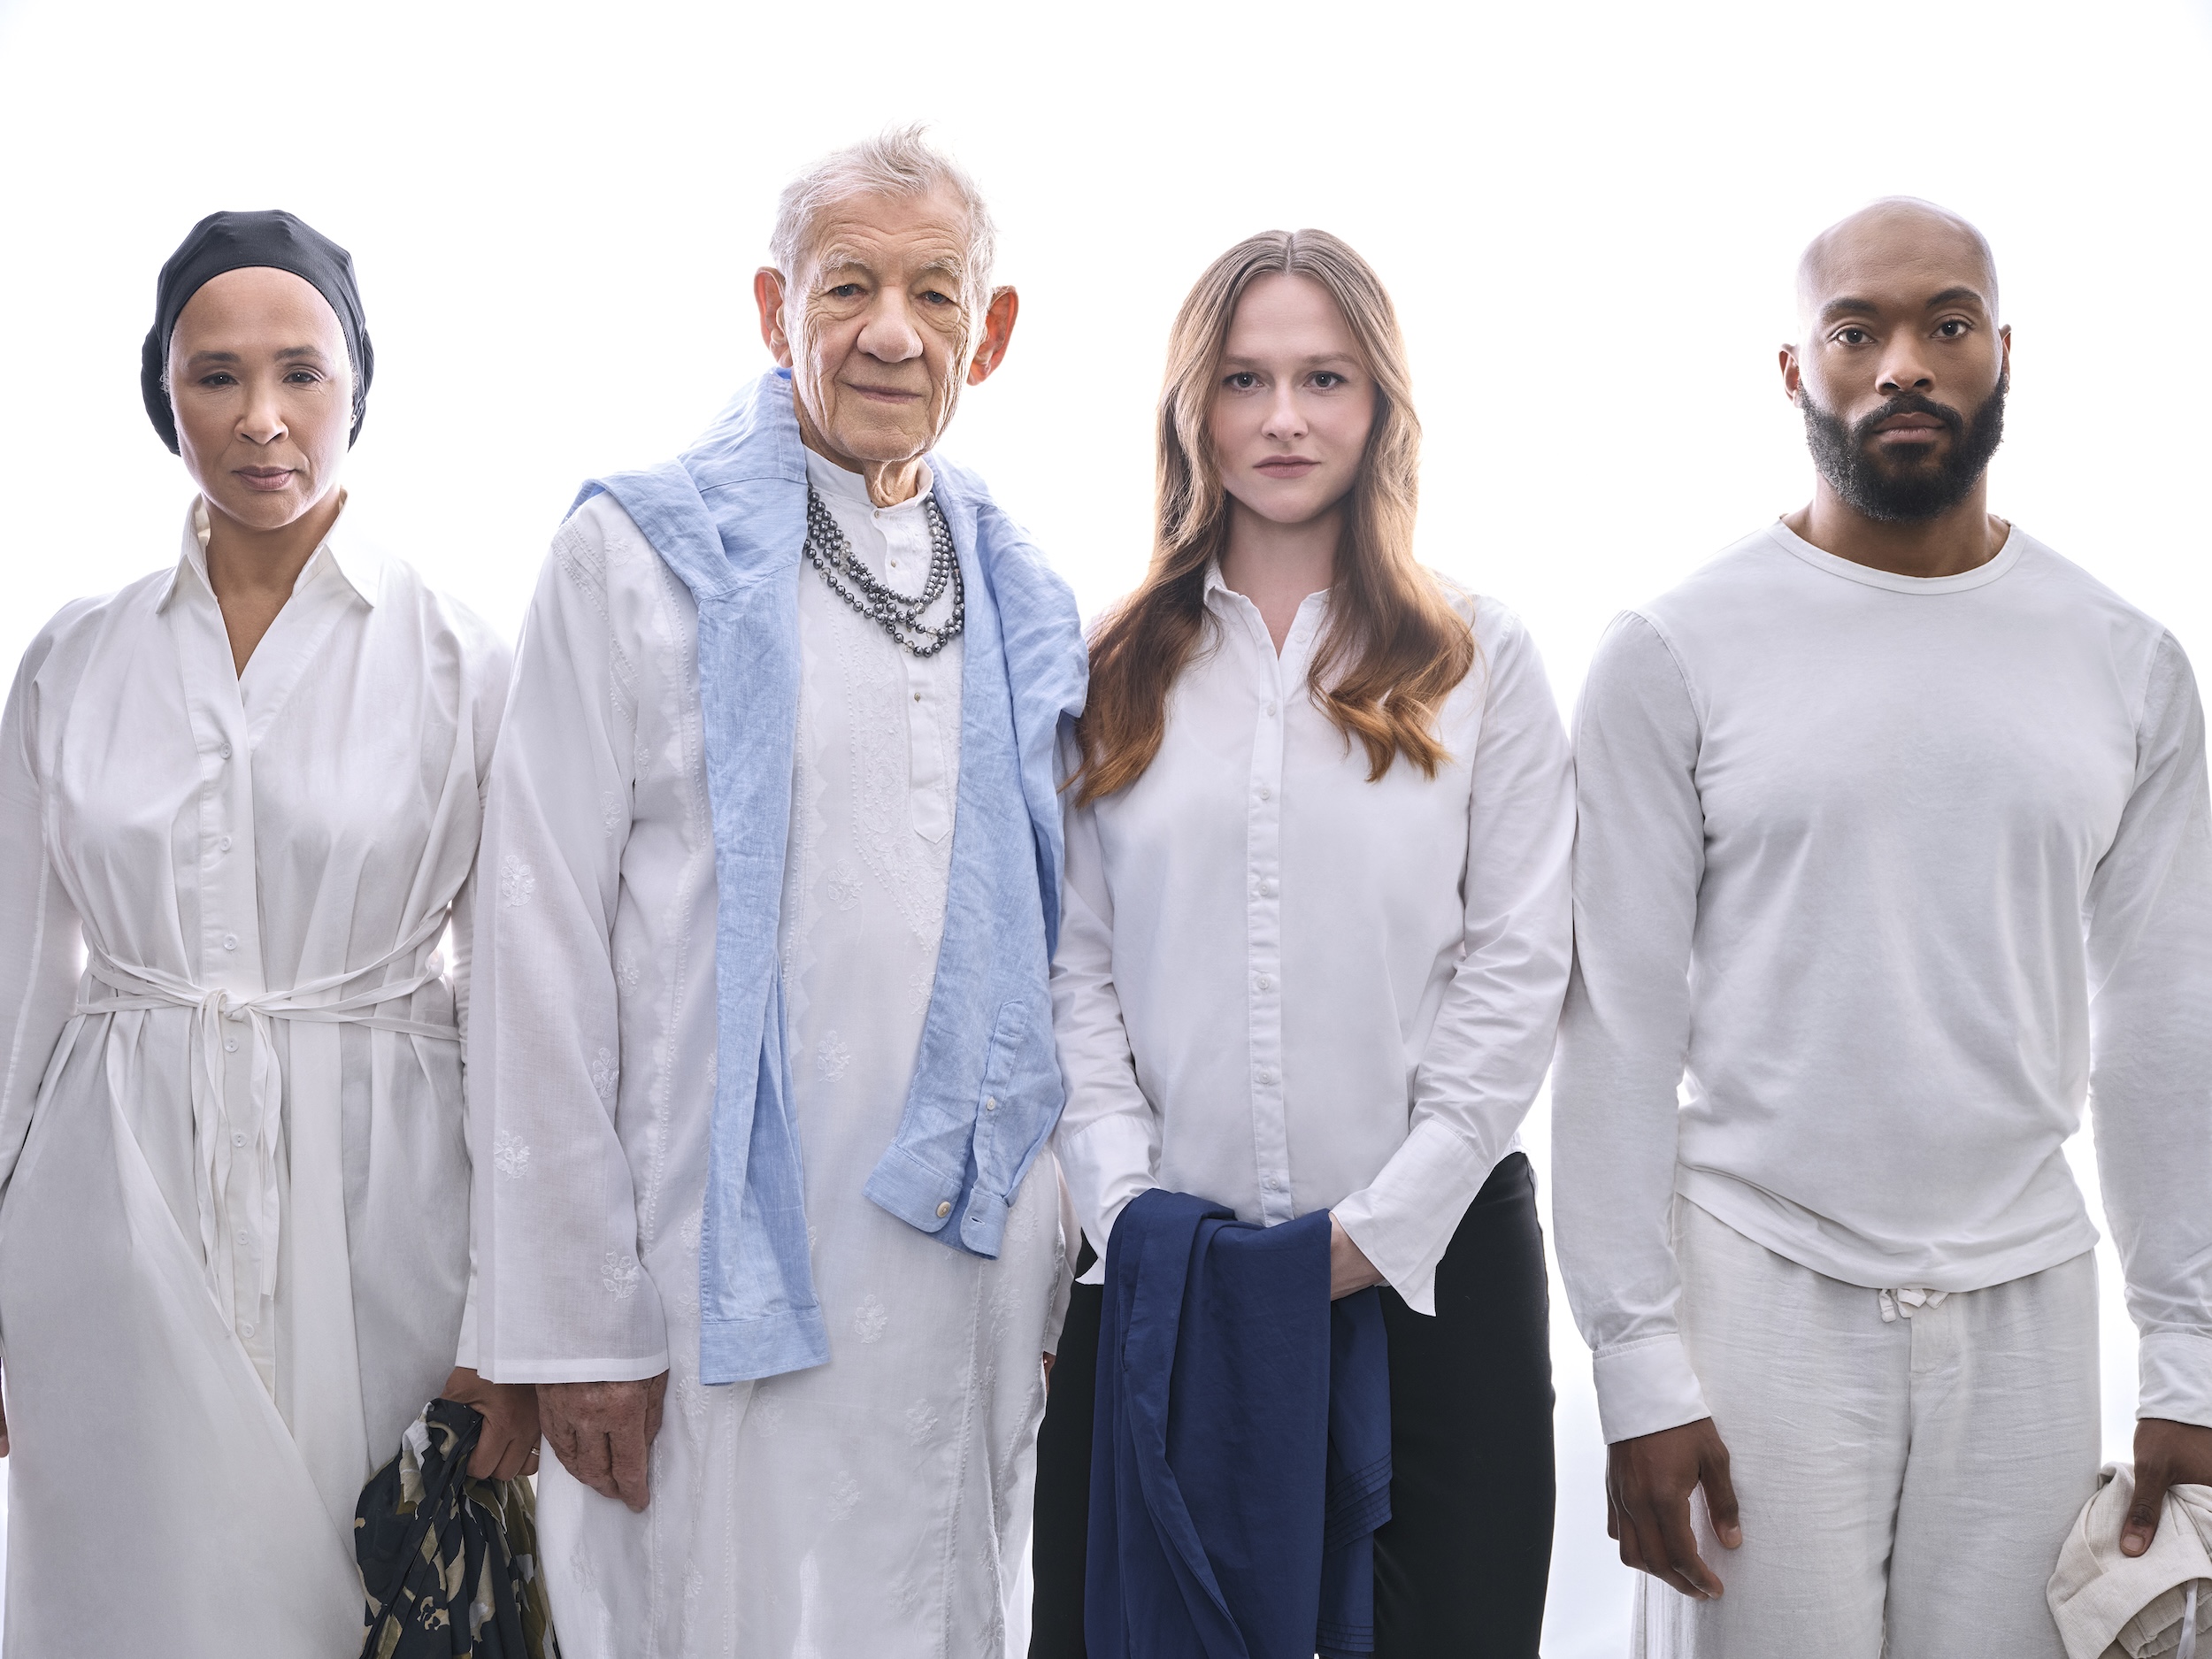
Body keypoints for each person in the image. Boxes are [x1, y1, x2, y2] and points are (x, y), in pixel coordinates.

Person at [1555, 197, 2212, 1655]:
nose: (1902, 362)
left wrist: (2191, 1359)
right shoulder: (1675, 652)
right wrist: (1637, 1365)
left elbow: (2163, 1024)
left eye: (1946, 325)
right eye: (1856, 330)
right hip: (1755, 1283)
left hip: (2028, 1294)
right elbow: (1616, 1025)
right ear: (1796, 372)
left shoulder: (2129, 666)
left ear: (2000, 357)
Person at [465, 128, 1087, 1658]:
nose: (891, 330)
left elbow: (1073, 948)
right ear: (773, 308)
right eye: (848, 286)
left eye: (936, 295)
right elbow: (531, 941)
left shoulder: (1020, 590)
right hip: (699, 1283)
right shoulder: (633, 556)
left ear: (988, 336)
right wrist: (576, 1324)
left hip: (957, 1278)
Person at [0, 209, 532, 1655]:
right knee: (125, 1595)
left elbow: (519, 1006)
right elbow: (13, 990)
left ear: (360, 382)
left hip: (385, 1199)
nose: (262, 420)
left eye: (301, 372)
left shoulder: (465, 660)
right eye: (213, 376)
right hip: (106, 1208)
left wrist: (516, 1318)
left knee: (356, 1595)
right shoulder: (74, 659)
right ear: (160, 394)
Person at [1040, 228, 1574, 1657]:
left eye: (1324, 378)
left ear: (1380, 405)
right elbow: (1070, 972)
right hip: (1165, 1287)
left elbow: (1519, 969)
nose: (1283, 418)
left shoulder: (1481, 656)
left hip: (1437, 1283)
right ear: (1190, 410)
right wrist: (1132, 1212)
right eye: (1245, 379)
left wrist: (1377, 1232)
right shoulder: (1102, 668)